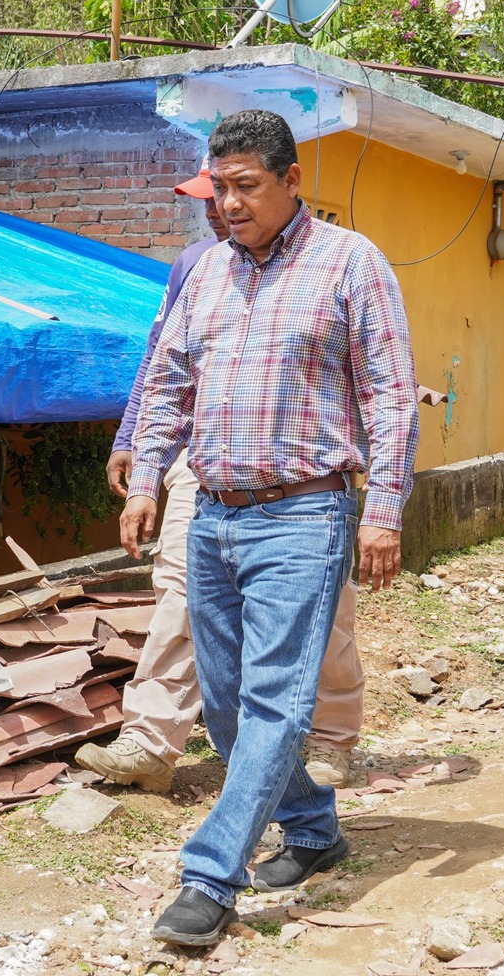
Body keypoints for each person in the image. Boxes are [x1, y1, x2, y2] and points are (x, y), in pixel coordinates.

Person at [121, 110, 419, 948]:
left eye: (247, 187)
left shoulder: (351, 265)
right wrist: (147, 478)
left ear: (293, 182)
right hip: (212, 515)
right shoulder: (208, 274)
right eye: (220, 188)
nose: (230, 205)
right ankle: (316, 831)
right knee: (224, 710)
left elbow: (393, 399)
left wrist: (383, 510)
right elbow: (165, 385)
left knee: (274, 702)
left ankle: (211, 876)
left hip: (305, 512)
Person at [77, 163, 367, 796]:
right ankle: (150, 741)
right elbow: (162, 362)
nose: (220, 208)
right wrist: (135, 446)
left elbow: (373, 368)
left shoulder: (336, 261)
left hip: (309, 479)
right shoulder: (196, 267)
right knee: (180, 592)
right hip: (203, 462)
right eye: (210, 197)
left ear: (281, 186)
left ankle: (331, 736)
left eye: (234, 193)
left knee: (325, 609)